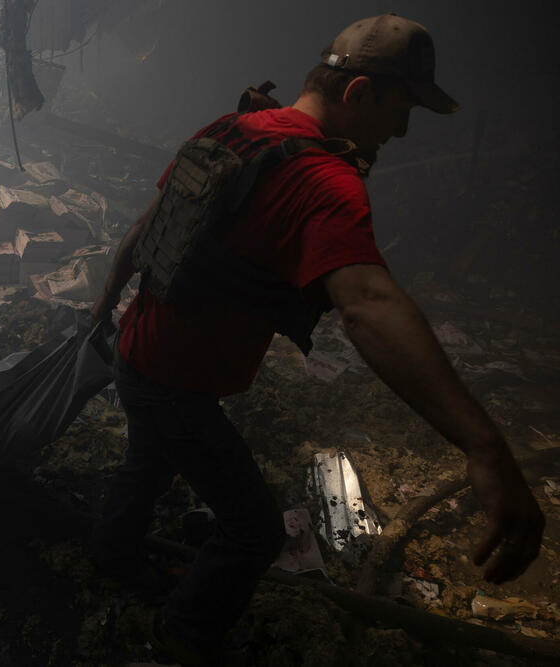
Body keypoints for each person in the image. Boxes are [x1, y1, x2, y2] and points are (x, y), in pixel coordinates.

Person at [90, 14, 544, 665]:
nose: (403, 131)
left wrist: (104, 308)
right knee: (253, 531)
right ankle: (175, 637)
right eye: (402, 108)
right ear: (359, 94)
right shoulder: (325, 181)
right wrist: (485, 445)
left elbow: (144, 229)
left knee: (147, 463)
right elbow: (368, 304)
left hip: (140, 352)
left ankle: (111, 558)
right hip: (175, 383)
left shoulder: (232, 128)